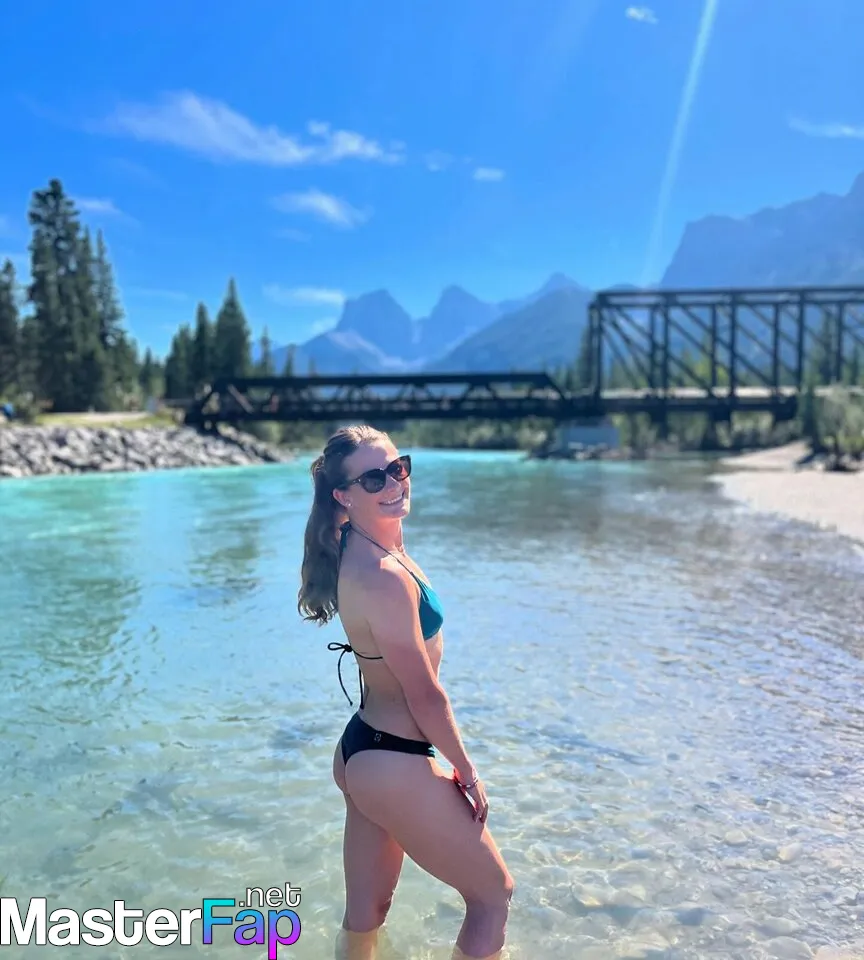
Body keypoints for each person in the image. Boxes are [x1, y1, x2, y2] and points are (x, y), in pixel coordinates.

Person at [298, 425, 514, 960]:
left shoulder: (365, 542)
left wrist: (385, 513)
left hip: (362, 751)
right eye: (374, 479)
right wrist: (467, 772)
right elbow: (425, 695)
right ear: (343, 495)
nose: (394, 484)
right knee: (493, 896)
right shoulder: (382, 575)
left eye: (398, 468)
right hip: (394, 759)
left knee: (365, 916)